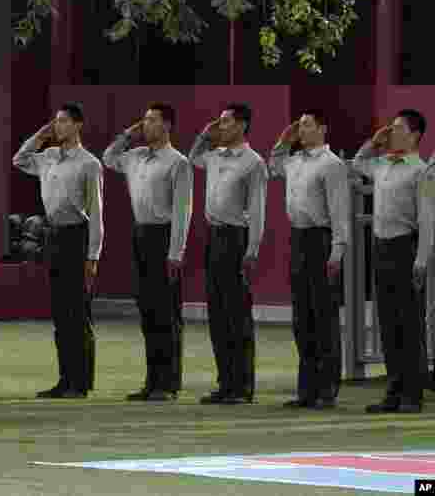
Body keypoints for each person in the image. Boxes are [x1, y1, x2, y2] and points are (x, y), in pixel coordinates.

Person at [103, 102, 193, 402]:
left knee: (167, 314)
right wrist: (128, 134)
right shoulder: (134, 157)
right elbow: (108, 157)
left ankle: (168, 384)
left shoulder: (178, 162)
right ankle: (152, 380)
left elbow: (183, 212)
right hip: (140, 235)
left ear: (167, 125)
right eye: (144, 120)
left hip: (164, 237)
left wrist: (175, 253)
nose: (146, 125)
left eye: (152, 120)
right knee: (148, 313)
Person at [13, 103, 101, 399]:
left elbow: (97, 214)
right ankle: (65, 379)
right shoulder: (47, 157)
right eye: (55, 122)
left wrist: (93, 256)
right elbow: (19, 159)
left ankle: (81, 381)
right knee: (61, 315)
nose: (57, 126)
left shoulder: (89, 164)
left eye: (63, 122)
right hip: (54, 237)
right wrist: (40, 136)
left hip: (77, 236)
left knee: (78, 313)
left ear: (78, 125)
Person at [351, 109, 435, 413]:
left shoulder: (421, 171)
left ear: (414, 135)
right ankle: (394, 390)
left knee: (408, 324)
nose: (391, 132)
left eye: (397, 128)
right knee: (387, 323)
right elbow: (358, 165)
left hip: (406, 247)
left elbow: (427, 219)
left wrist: (421, 259)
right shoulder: (382, 164)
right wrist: (374, 143)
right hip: (381, 246)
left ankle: (412, 394)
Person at [270, 110, 351, 409]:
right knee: (302, 318)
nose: (301, 131)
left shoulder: (332, 165)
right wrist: (282, 140)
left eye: (307, 125)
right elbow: (274, 166)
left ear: (323, 129)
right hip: (299, 238)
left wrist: (337, 251)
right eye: (299, 126)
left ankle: (327, 389)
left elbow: (340, 211)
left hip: (321, 239)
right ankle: (307, 389)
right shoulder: (293, 161)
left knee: (323, 317)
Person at [189, 104, 268, 405]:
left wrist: (253, 249)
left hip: (237, 238)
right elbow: (194, 157)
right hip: (215, 236)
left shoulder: (253, 163)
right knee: (218, 314)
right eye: (219, 122)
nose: (220, 126)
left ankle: (242, 386)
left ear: (242, 126)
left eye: (225, 122)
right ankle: (225, 382)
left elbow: (258, 210)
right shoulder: (213, 156)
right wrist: (204, 135)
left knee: (237, 315)